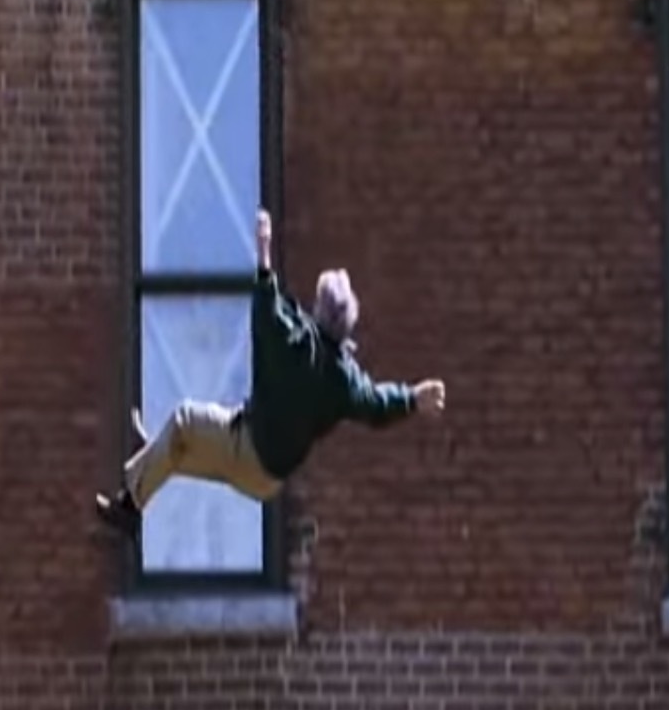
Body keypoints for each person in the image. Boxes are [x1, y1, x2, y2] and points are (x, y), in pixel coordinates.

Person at [95, 209, 446, 538]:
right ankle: (154, 458)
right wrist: (413, 398)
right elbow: (377, 406)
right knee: (181, 447)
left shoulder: (295, 346)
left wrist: (263, 251)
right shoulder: (343, 379)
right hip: (270, 478)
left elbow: (265, 309)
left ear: (319, 311)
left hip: (249, 445)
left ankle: (130, 509)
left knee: (185, 420)